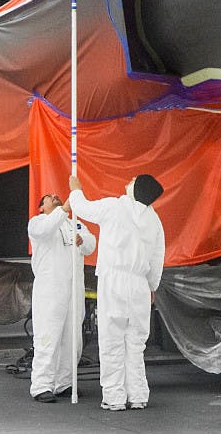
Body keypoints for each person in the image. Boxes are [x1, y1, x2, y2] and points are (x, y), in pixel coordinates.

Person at [66, 173, 166, 411]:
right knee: (135, 343)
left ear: (137, 189)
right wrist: (152, 286)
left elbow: (82, 208)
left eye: (133, 180)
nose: (128, 181)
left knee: (112, 340)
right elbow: (157, 257)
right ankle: (138, 394)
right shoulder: (154, 220)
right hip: (140, 284)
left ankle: (114, 397)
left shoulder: (115, 207)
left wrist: (75, 189)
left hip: (115, 280)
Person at [26, 193, 95, 403]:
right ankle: (41, 385)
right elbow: (46, 230)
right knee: (49, 335)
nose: (54, 196)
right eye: (49, 197)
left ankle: (64, 382)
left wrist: (83, 241)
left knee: (72, 337)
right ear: (41, 207)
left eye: (56, 196)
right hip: (50, 288)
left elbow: (91, 245)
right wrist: (63, 209)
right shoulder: (37, 223)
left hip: (73, 287)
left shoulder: (75, 224)